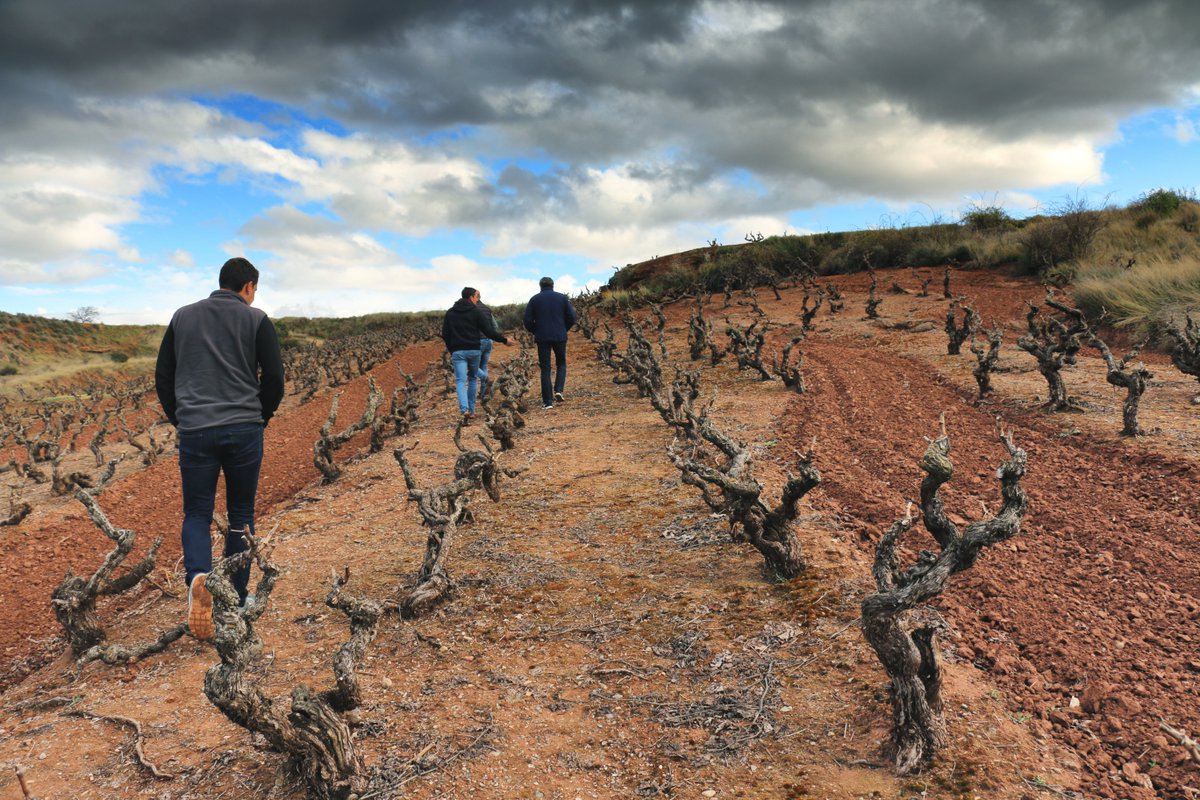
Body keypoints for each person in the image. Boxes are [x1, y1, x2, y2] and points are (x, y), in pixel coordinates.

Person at [155, 257, 284, 641]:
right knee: (240, 511)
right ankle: (235, 598)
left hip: (196, 429)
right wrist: (261, 415)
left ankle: (198, 576)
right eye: (255, 289)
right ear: (249, 287)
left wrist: (182, 418)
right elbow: (275, 378)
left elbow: (163, 375)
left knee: (196, 511)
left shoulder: (181, 316)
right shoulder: (256, 318)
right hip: (243, 428)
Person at [442, 287, 510, 422]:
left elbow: (445, 334)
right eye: (476, 297)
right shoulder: (476, 312)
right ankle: (472, 410)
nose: (476, 300)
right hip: (474, 350)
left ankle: (464, 410)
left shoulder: (450, 313)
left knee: (460, 381)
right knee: (472, 378)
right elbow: (489, 331)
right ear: (471, 297)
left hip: (458, 352)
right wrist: (504, 340)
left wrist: (452, 350)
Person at [523, 276, 577, 409]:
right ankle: (559, 390)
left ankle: (548, 402)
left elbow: (527, 320)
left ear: (540, 286)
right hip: (560, 335)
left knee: (545, 368)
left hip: (542, 337)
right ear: (553, 285)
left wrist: (536, 330)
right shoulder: (562, 298)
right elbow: (572, 317)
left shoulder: (534, 299)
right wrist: (564, 329)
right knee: (561, 363)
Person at [476, 294, 498, 401]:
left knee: (472, 366)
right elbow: (495, 326)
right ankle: (483, 393)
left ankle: (486, 379)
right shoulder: (487, 309)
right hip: (488, 340)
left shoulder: (471, 310)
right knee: (483, 366)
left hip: (477, 341)